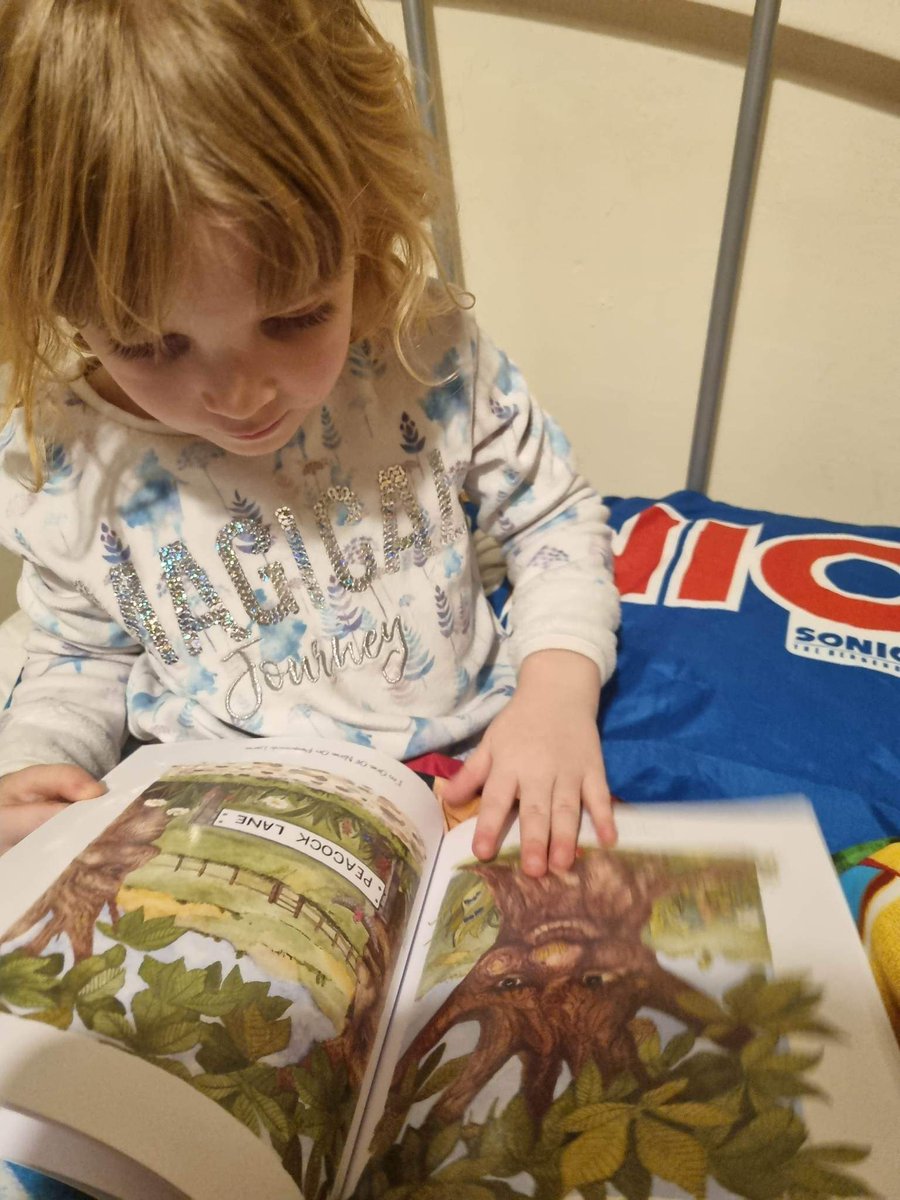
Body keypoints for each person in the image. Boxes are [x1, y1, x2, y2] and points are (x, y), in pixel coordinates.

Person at [0, 0, 619, 876]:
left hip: (471, 772)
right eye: (149, 345)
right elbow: (75, 656)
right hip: (208, 820)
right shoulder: (70, 459)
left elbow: (552, 519)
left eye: (294, 318)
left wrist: (557, 694)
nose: (237, 394)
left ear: (366, 223)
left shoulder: (424, 355)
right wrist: (31, 764)